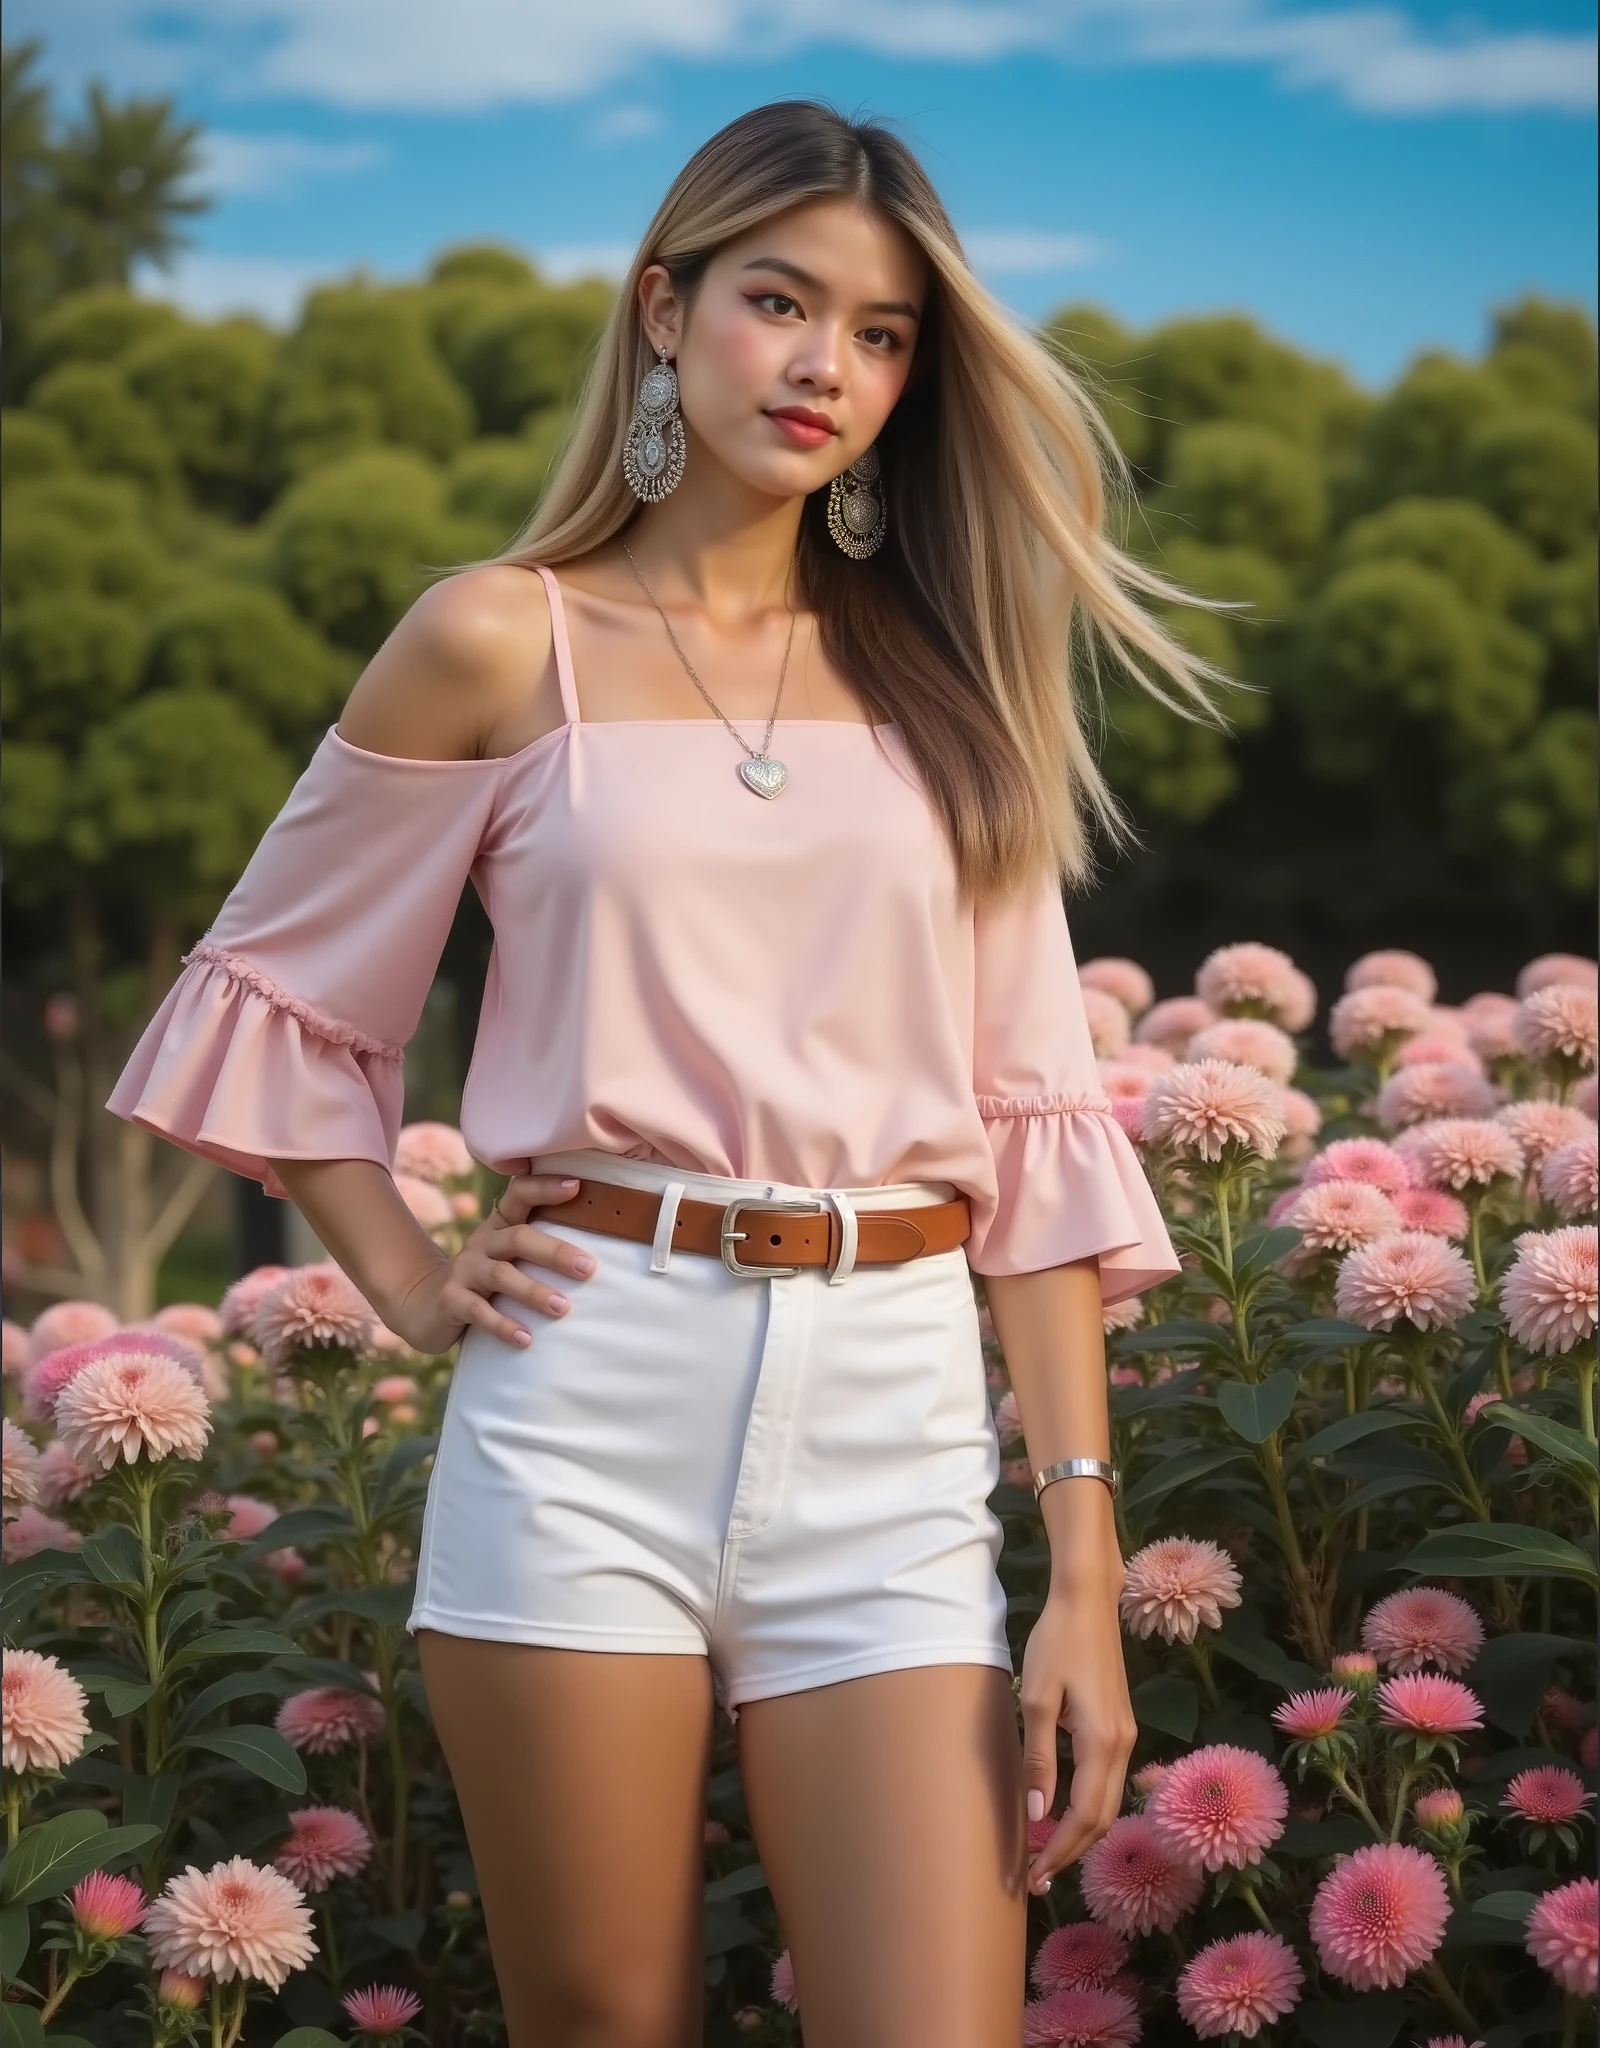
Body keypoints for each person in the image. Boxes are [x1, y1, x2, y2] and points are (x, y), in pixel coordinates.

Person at [108, 100, 1237, 2048]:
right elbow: (281, 989)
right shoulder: (493, 638)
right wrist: (400, 1274)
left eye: (879, 334)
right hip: (584, 1402)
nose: (823, 367)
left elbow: (1030, 1131)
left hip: (888, 1421)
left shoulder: (949, 684)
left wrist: (1077, 1551)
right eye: (776, 303)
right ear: (662, 308)